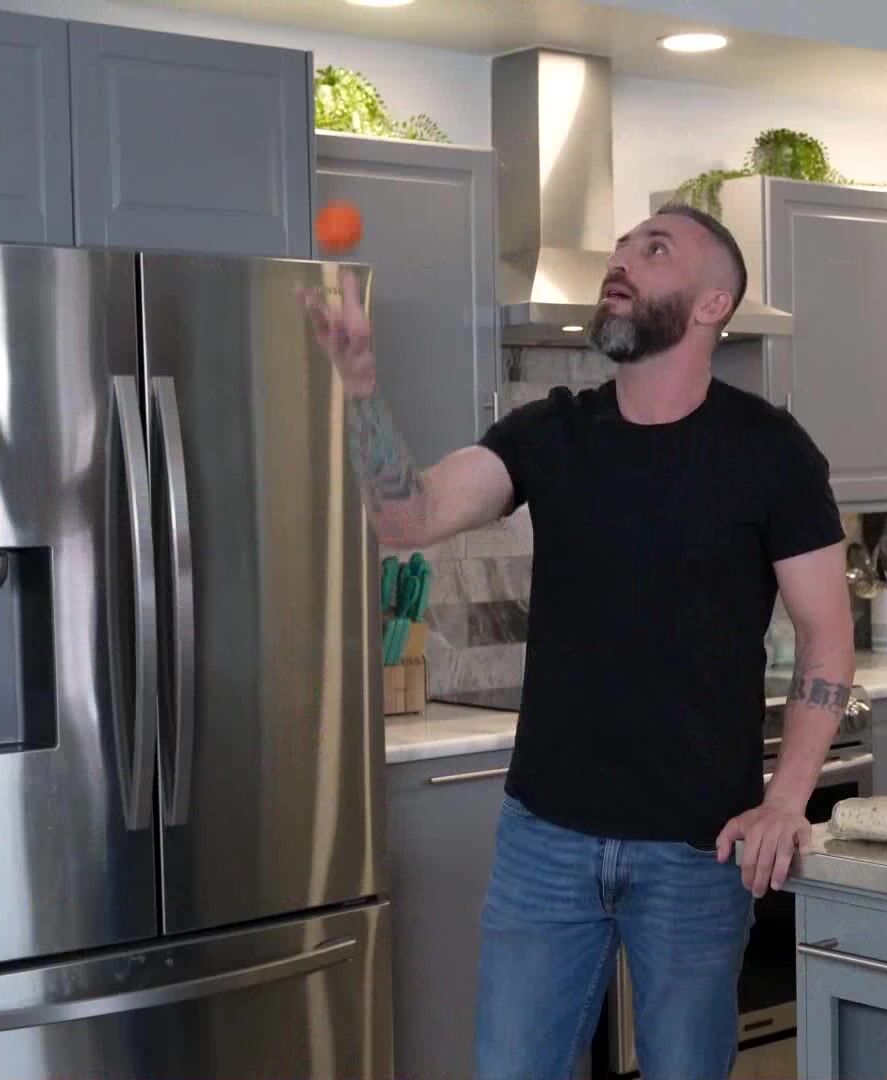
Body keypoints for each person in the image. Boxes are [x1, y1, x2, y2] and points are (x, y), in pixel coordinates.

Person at [299, 202, 855, 1079]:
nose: (622, 259)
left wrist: (785, 802)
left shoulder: (771, 452)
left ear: (713, 304)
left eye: (655, 249)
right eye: (623, 245)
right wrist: (360, 390)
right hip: (545, 840)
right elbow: (408, 518)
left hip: (698, 846)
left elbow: (826, 641)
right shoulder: (550, 433)